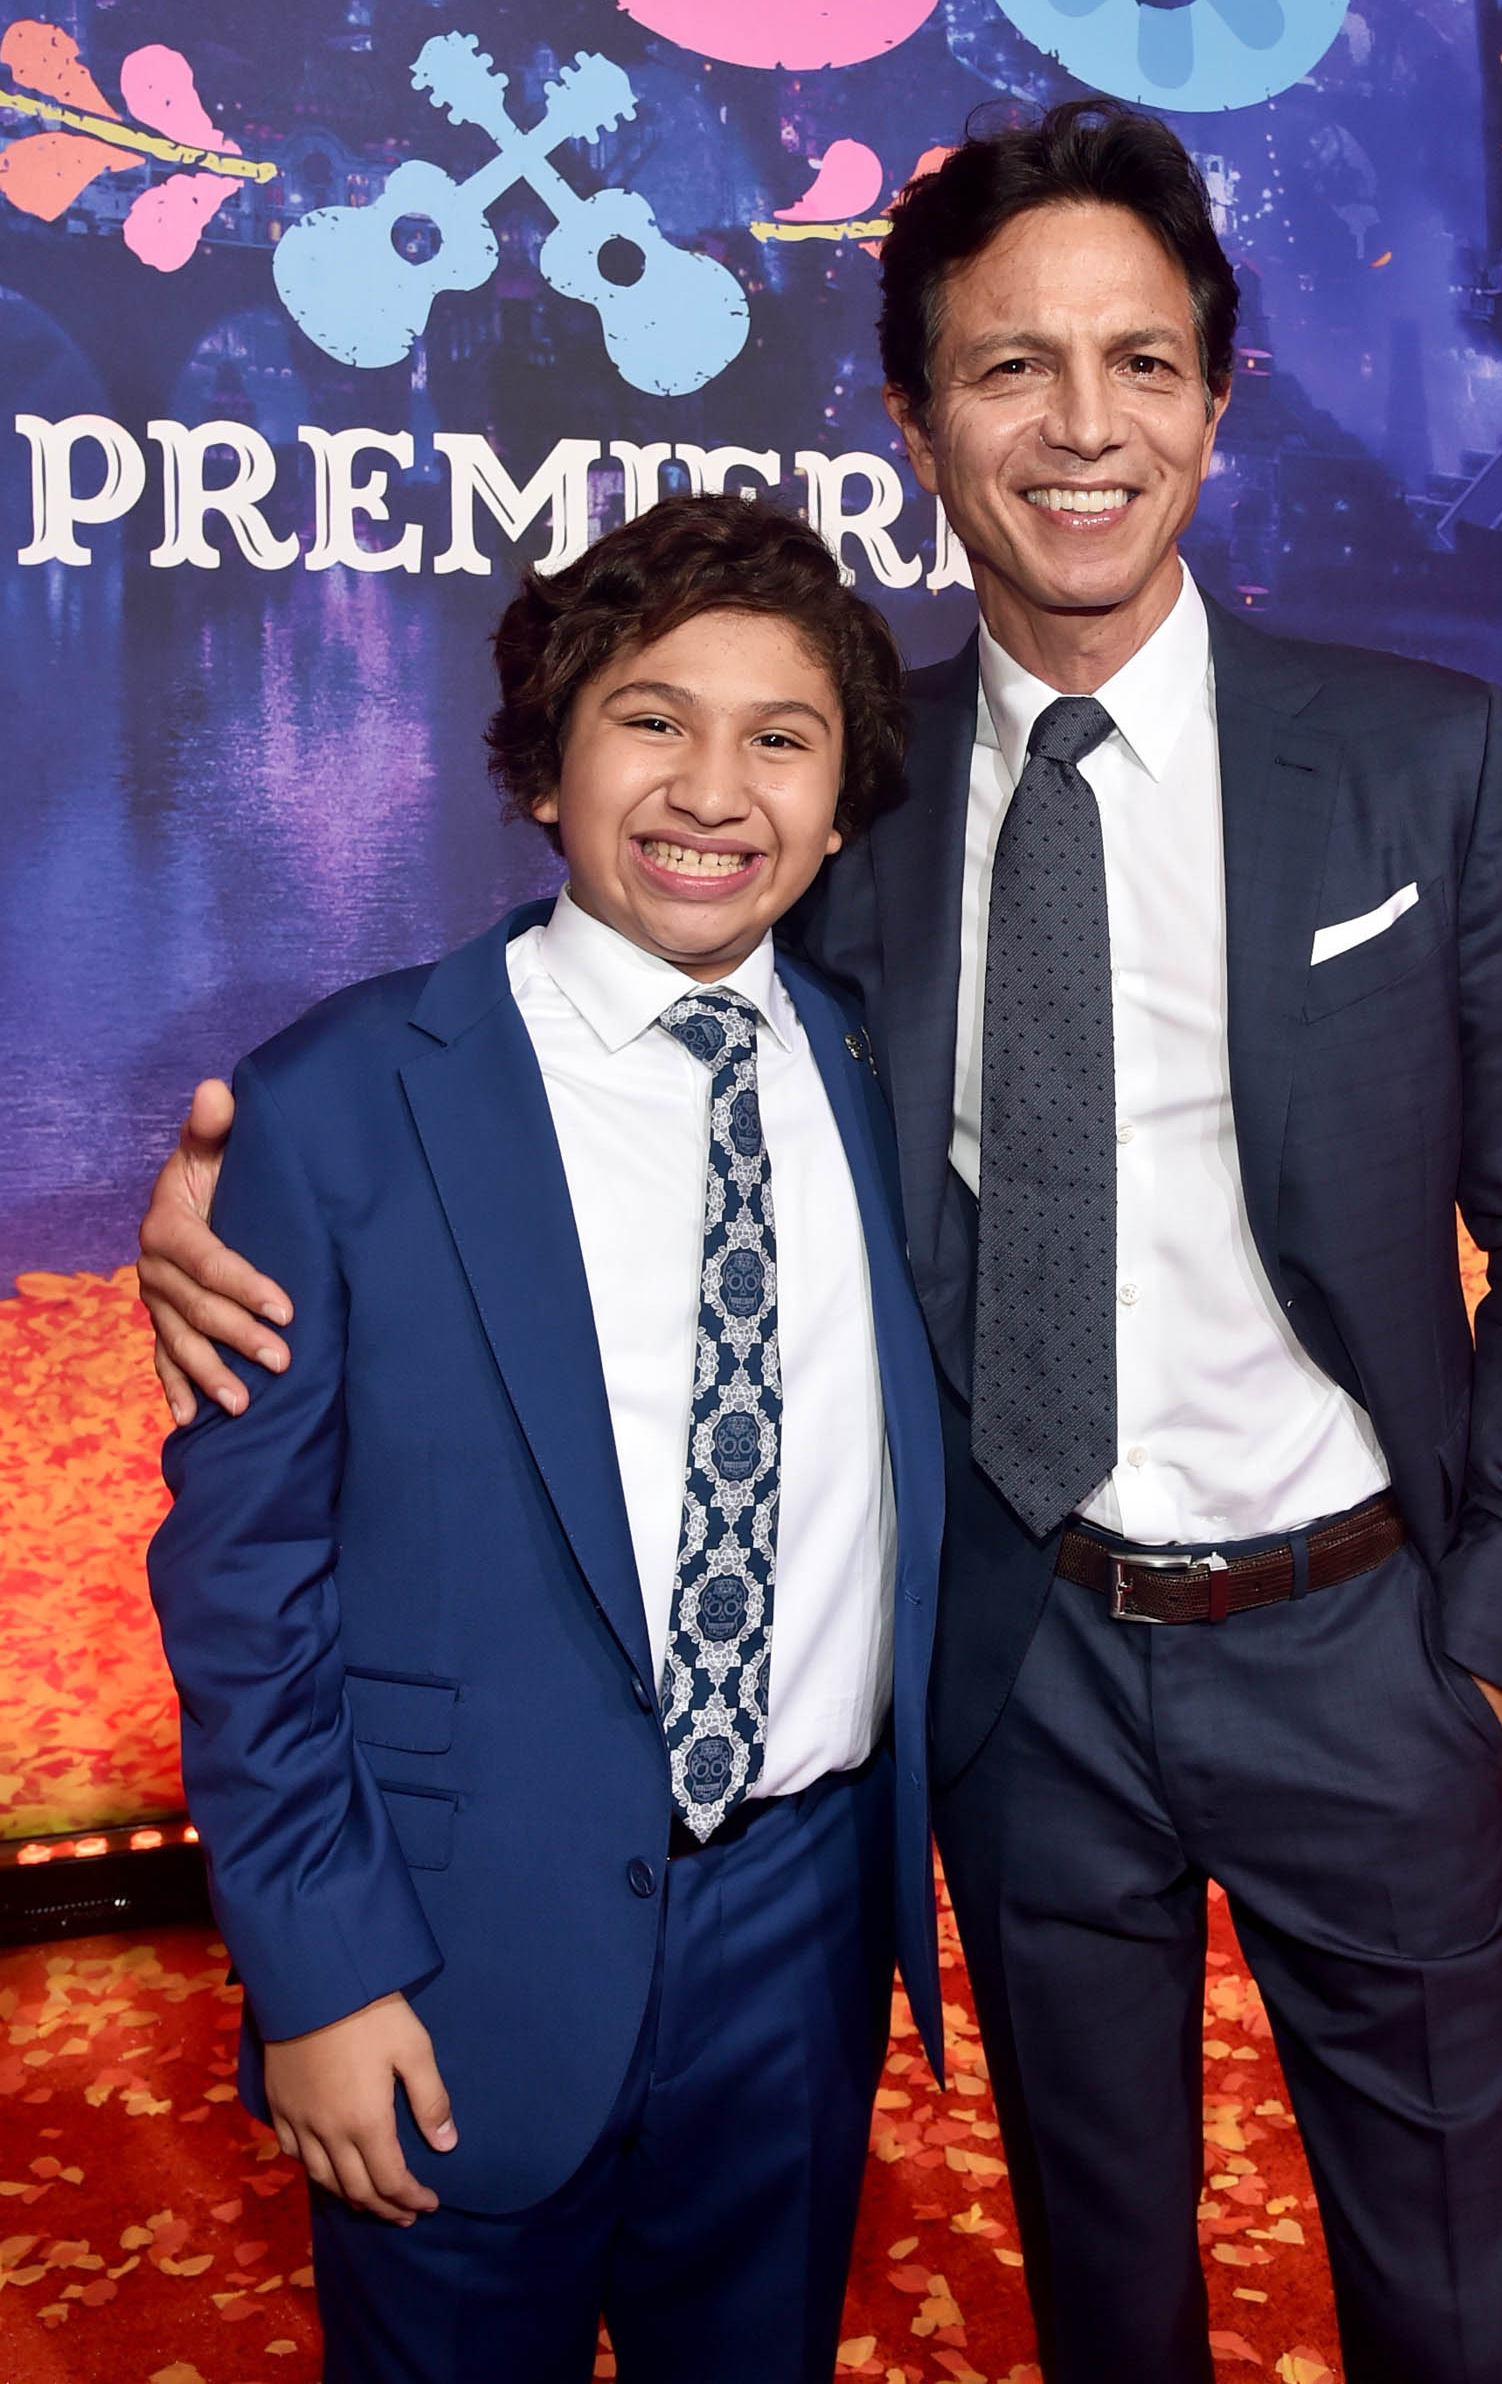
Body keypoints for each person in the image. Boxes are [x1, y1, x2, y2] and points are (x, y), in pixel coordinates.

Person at [140, 106, 1502, 2384]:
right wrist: (249, 1184)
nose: (1081, 426)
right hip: (1016, 1683)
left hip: (1365, 1645)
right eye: (1010, 366)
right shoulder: (856, 781)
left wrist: (1488, 1632)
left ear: (1216, 404)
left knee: (1452, 2288)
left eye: (1141, 363)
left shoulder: (1418, 757)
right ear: (915, 418)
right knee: (1102, 2288)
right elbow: (592, 991)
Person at [144, 493, 945, 2384]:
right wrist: (318, 1970)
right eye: (650, 719)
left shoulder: (881, 1072)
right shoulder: (339, 1101)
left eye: (781, 739)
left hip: (801, 1923)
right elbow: (244, 1587)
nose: (713, 790)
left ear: (839, 807)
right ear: (540, 765)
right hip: (449, 1945)